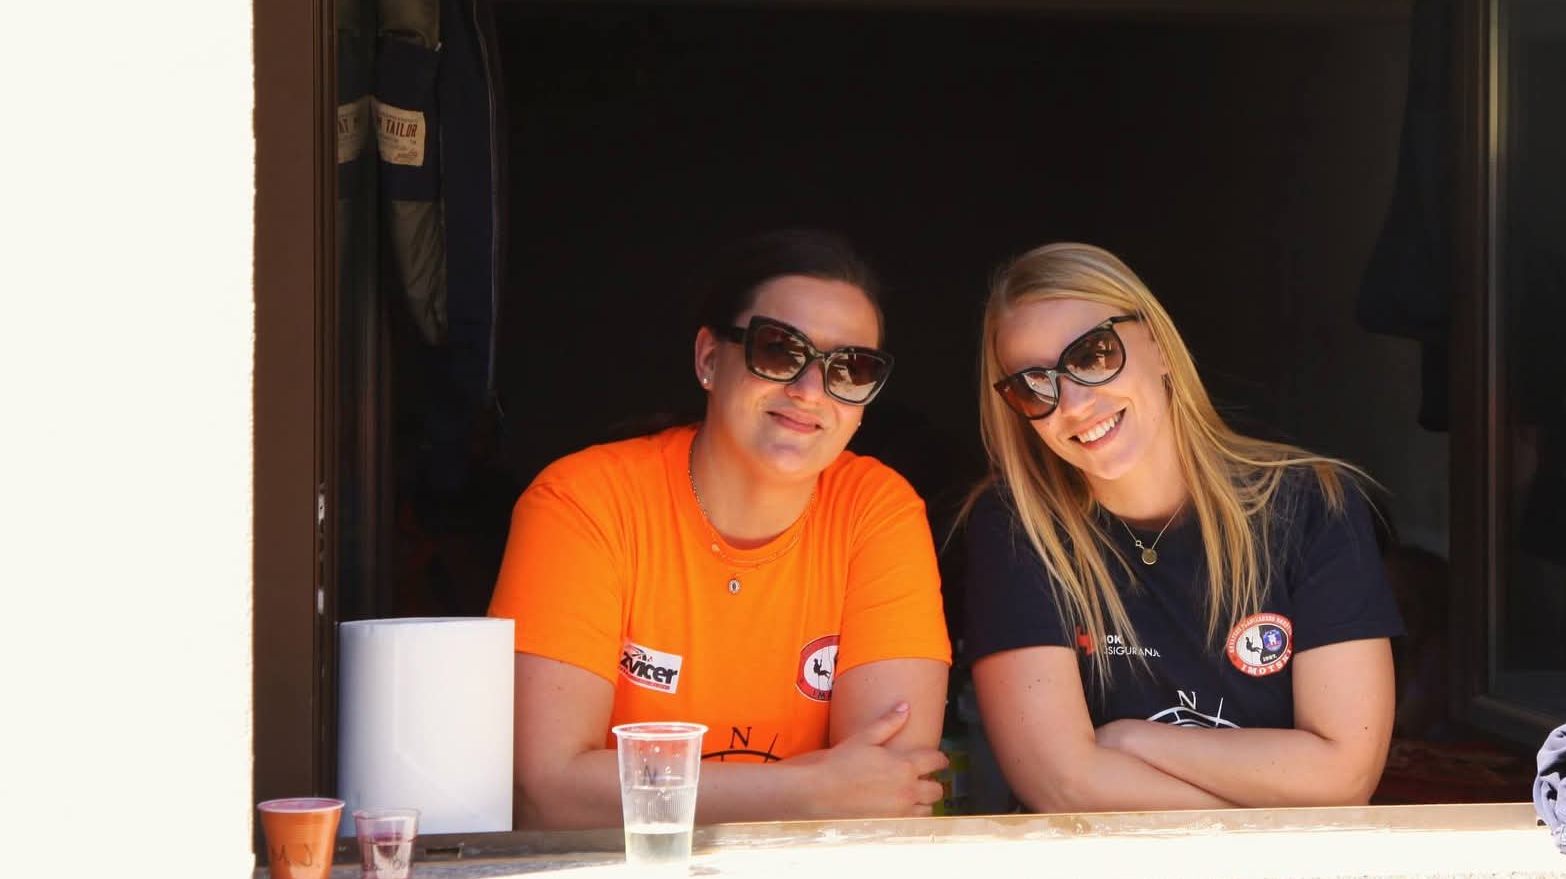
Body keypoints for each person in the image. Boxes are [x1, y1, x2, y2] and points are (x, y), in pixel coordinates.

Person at [490, 230, 952, 828]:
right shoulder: (583, 501)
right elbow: (546, 791)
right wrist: (805, 792)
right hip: (610, 878)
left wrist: (633, 790)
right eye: (780, 351)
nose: (810, 392)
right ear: (710, 358)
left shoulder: (878, 509)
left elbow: (889, 792)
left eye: (851, 369)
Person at [961, 243, 1402, 812]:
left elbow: (1344, 775)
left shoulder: (1314, 504)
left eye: (1093, 355)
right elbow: (1061, 785)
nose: (1072, 403)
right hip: (1110, 869)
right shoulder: (1017, 527)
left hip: (1284, 872)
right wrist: (1268, 817)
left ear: (1159, 345)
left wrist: (1130, 740)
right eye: (1033, 384)